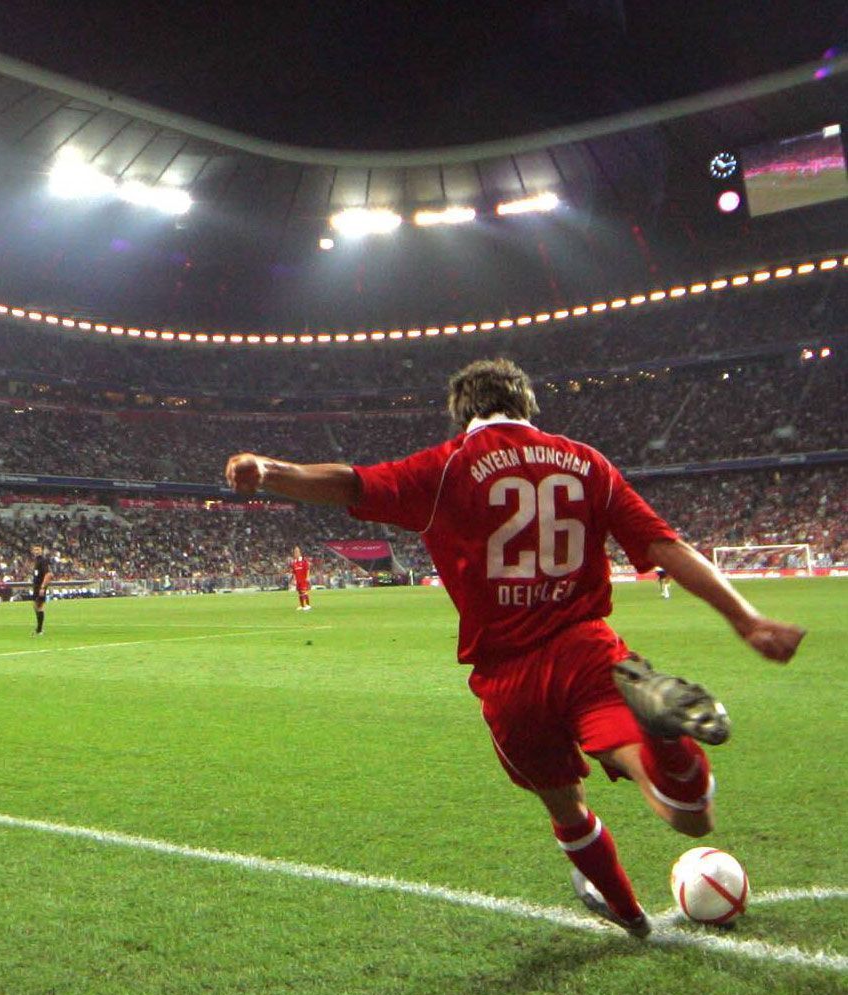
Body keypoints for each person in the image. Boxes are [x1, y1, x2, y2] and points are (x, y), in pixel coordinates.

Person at [222, 358, 805, 938]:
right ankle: (666, 746)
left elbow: (352, 483)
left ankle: (631, 917)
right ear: (527, 404)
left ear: (462, 413)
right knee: (689, 816)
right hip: (590, 655)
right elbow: (664, 545)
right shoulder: (587, 463)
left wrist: (270, 470)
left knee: (567, 810)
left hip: (509, 680)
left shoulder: (446, 468)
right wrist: (747, 620)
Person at [30, 547, 53, 634]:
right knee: (35, 606)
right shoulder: (36, 561)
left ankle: (39, 630)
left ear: (41, 551)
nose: (36, 551)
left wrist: (43, 587)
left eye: (38, 549)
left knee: (39, 606)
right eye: (35, 549)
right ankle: (39, 628)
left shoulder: (42, 561)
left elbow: (48, 574)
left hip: (40, 587)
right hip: (36, 587)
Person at [290, 546, 313, 611]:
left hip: (303, 579)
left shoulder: (303, 560)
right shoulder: (294, 562)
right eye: (295, 552)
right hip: (298, 580)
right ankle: (302, 606)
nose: (296, 553)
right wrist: (294, 580)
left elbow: (307, 569)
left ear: (300, 553)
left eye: (297, 552)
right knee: (300, 593)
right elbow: (294, 572)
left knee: (304, 592)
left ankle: (308, 605)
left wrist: (308, 577)